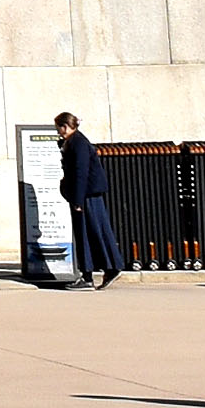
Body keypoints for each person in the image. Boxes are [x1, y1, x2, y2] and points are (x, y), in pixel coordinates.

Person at [53, 111, 125, 288]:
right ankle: (108, 267)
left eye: (58, 128)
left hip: (85, 196)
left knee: (86, 234)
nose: (58, 132)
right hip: (87, 195)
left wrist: (77, 201)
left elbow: (80, 172)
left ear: (65, 127)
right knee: (96, 231)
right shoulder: (76, 142)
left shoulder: (78, 143)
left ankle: (89, 276)